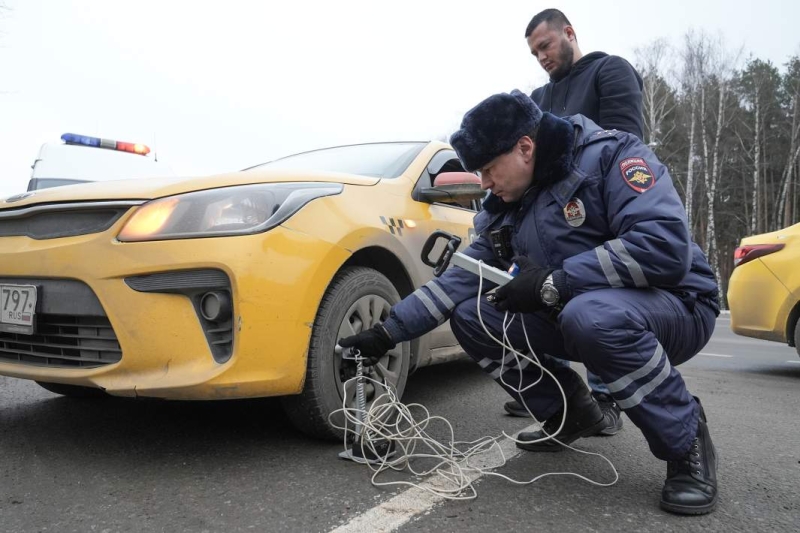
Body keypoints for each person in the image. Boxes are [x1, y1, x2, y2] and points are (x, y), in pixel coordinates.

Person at [338, 90, 719, 515]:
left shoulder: (610, 157)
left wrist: (555, 281)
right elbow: (460, 279)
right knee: (473, 315)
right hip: (586, 311)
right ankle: (570, 412)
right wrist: (388, 332)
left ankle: (686, 442)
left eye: (487, 169)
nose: (483, 184)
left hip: (677, 305)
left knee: (589, 316)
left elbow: (663, 246)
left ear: (524, 148)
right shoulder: (505, 207)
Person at [500, 8, 646, 429]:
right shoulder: (539, 100)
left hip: (601, 209)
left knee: (595, 301)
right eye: (534, 53)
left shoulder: (610, 71)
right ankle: (557, 390)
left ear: (569, 33)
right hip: (550, 216)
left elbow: (625, 141)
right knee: (538, 292)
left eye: (545, 45)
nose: (541, 57)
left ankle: (606, 398)